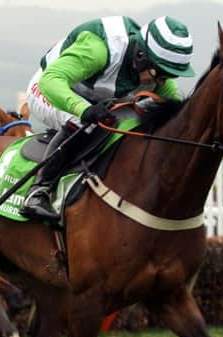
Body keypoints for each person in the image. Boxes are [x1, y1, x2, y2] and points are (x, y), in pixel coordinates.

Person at [21, 15, 195, 221]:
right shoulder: (98, 51)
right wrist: (84, 109)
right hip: (51, 89)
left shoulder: (154, 65)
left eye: (168, 76)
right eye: (158, 73)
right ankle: (39, 191)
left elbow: (177, 113)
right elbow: (51, 81)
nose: (161, 81)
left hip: (97, 98)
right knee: (82, 123)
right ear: (140, 55)